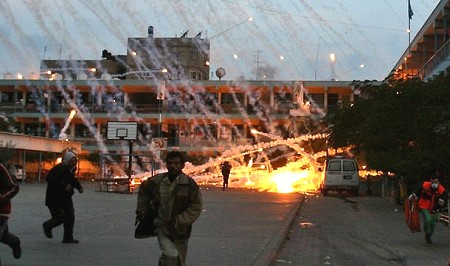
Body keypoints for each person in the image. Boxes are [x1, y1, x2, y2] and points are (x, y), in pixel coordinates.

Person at [136, 151, 202, 265]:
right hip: (162, 226)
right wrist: (142, 210)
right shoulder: (156, 182)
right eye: (170, 163)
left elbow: (196, 206)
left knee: (179, 261)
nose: (173, 166)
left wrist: (180, 220)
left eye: (176, 163)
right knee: (171, 255)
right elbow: (143, 192)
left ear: (182, 165)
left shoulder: (190, 185)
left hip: (180, 230)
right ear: (166, 164)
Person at [43, 150, 84, 244]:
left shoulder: (71, 169)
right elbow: (49, 178)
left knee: (70, 217)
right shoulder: (59, 168)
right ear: (67, 160)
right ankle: (47, 226)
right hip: (54, 198)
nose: (73, 163)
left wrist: (79, 187)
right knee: (59, 217)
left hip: (66, 197)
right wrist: (63, 185)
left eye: (75, 161)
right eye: (71, 161)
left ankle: (68, 237)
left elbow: (73, 180)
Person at [409, 175, 447, 244]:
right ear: (430, 181)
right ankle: (427, 232)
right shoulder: (425, 185)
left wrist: (443, 202)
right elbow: (417, 191)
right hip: (424, 206)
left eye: (435, 182)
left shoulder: (441, 190)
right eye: (432, 182)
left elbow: (445, 199)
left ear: (438, 182)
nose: (434, 184)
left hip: (435, 208)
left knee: (432, 224)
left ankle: (428, 236)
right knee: (428, 219)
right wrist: (413, 195)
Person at [0, 162, 21, 261]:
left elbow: (14, 186)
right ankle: (14, 242)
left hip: (1, 211)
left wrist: (1, 198)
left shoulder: (1, 168)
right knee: (4, 236)